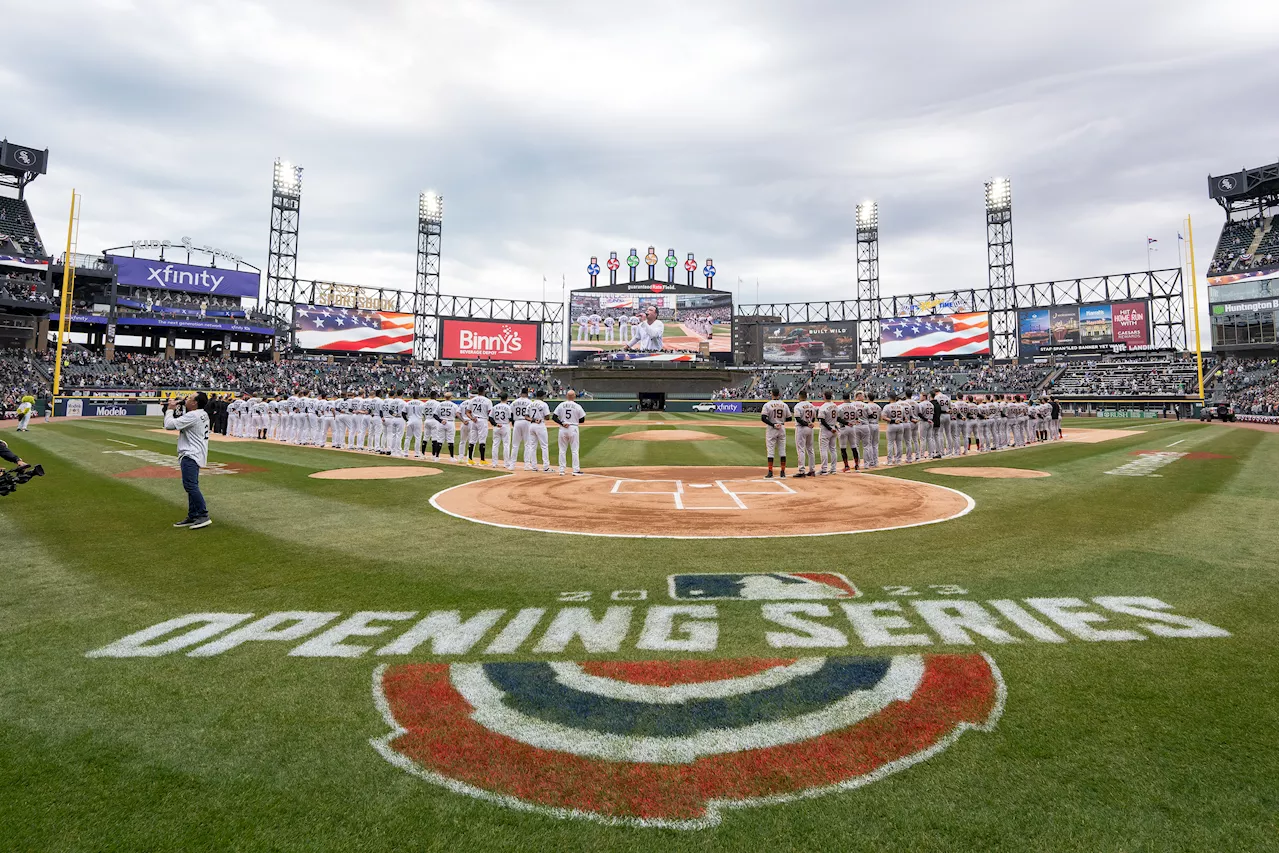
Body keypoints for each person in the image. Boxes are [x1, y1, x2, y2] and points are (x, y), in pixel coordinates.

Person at [165, 392, 213, 530]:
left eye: (190, 398)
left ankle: (203, 515)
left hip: (190, 453)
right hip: (196, 452)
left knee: (190, 486)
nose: (186, 399)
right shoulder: (201, 413)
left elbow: (169, 425)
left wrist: (170, 409)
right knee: (192, 485)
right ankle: (193, 515)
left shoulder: (193, 415)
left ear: (195, 403)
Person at [552, 389, 587, 475]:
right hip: (573, 428)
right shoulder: (577, 406)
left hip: (563, 428)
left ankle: (561, 470)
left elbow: (554, 417)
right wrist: (573, 420)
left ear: (567, 396)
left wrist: (562, 423)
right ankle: (575, 470)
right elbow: (582, 420)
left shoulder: (561, 405)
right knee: (574, 450)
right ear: (574, 396)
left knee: (562, 450)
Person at [760, 388, 791, 479]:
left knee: (770, 451)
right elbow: (789, 418)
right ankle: (783, 472)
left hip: (771, 428)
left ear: (771, 394)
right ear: (779, 394)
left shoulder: (767, 405)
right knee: (782, 450)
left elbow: (763, 418)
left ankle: (770, 472)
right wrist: (780, 421)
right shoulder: (784, 405)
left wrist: (773, 424)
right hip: (781, 427)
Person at [792, 390, 817, 477]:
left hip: (801, 428)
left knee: (801, 449)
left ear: (800, 396)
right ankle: (812, 470)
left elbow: (798, 419)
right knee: (810, 449)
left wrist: (806, 424)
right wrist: (810, 423)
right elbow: (814, 417)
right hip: (810, 429)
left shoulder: (798, 406)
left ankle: (801, 470)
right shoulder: (811, 405)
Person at [527, 389, 552, 471]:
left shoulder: (530, 404)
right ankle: (546, 467)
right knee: (544, 446)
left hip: (532, 425)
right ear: (542, 396)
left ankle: (534, 466)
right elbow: (547, 417)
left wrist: (533, 420)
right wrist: (541, 418)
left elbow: (526, 417)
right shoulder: (544, 404)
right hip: (540, 425)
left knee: (532, 446)